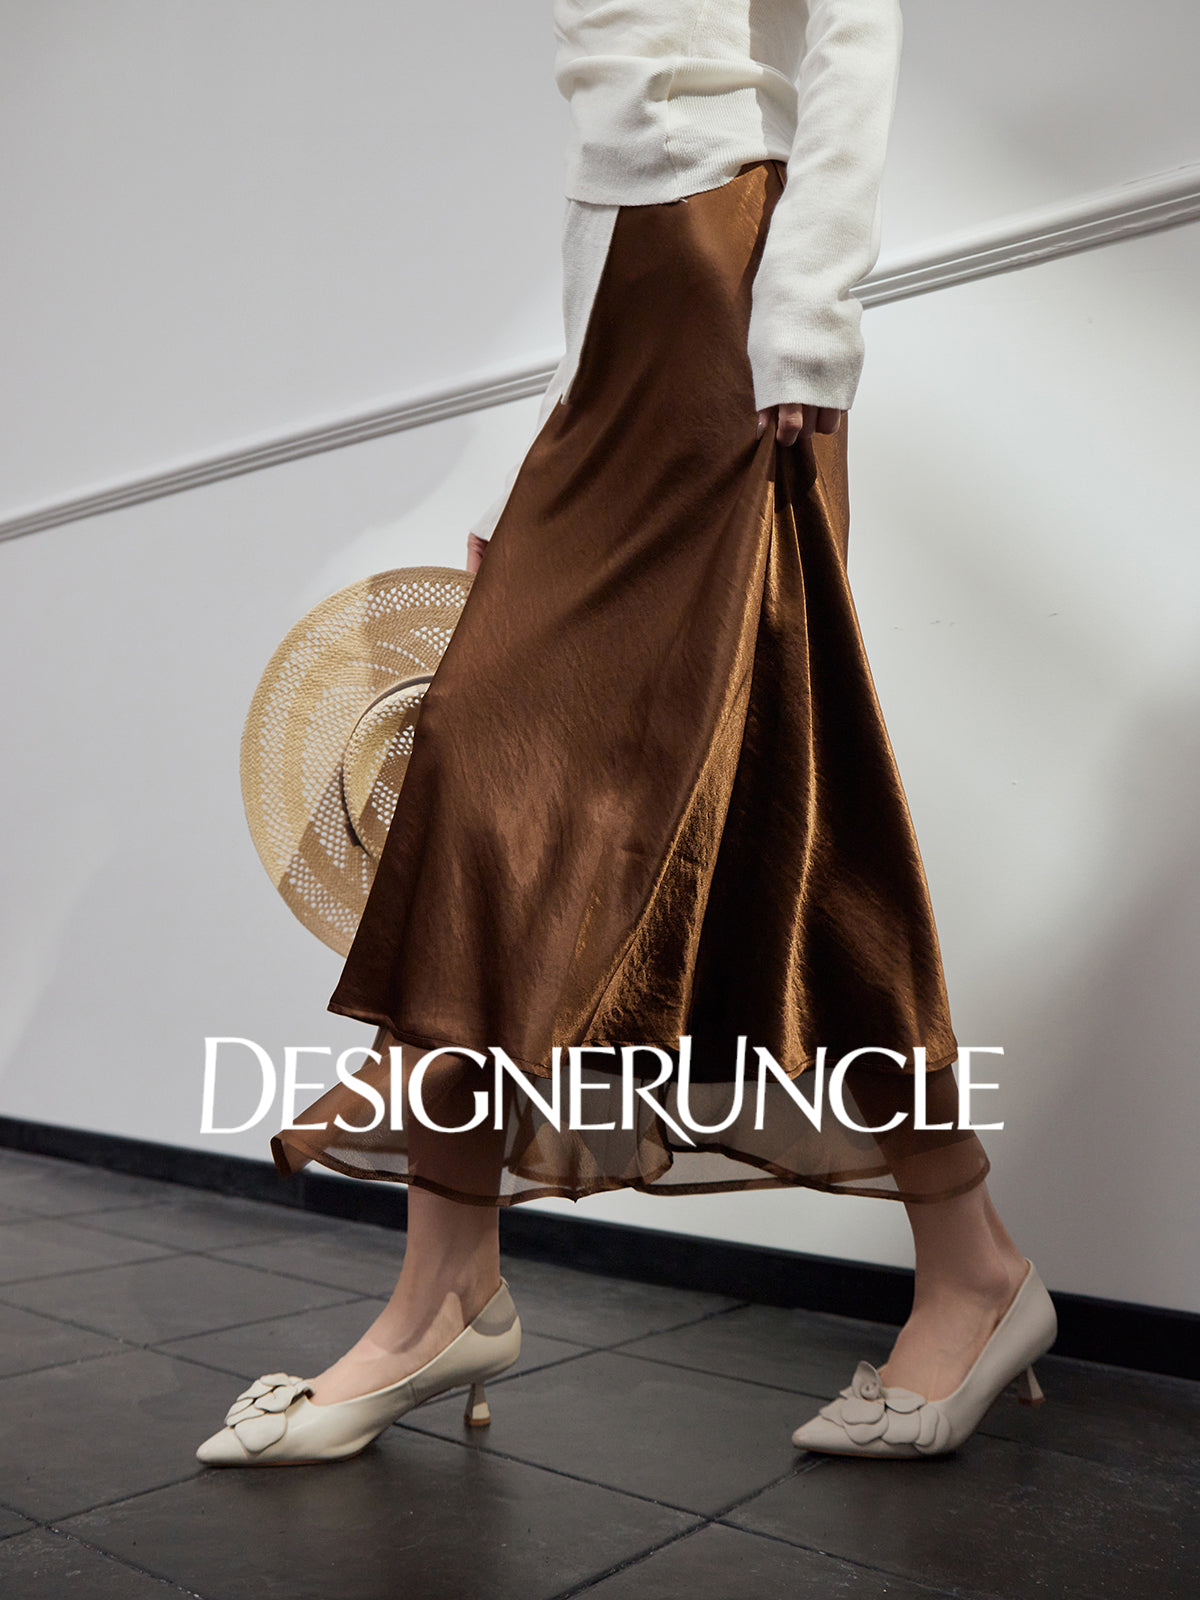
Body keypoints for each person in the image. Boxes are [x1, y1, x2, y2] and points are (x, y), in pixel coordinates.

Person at [197, 0, 1056, 1468]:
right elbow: (621, 123)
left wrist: (805, 318)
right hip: (623, 297)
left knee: (788, 795)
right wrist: (559, 417)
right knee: (479, 757)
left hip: (735, 292)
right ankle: (447, 1289)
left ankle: (971, 1269)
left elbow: (852, 21)